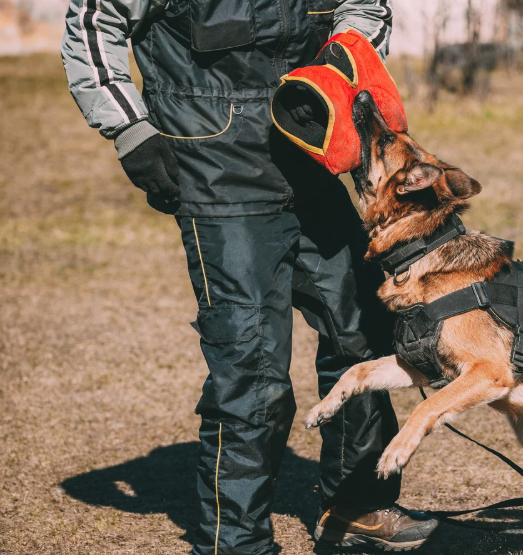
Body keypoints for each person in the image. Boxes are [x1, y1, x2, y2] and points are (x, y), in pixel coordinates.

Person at [61, 1, 439, 553]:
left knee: (362, 333)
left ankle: (356, 508)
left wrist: (342, 56)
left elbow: (366, 7)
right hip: (216, 172)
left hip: (310, 157)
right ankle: (235, 541)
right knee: (252, 365)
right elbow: (94, 22)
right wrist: (129, 130)